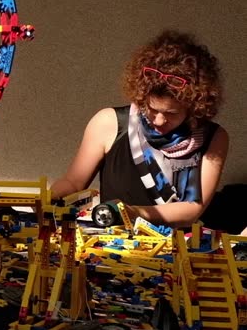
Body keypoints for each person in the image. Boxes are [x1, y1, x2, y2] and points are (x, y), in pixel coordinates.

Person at [50, 29, 229, 228]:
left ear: (195, 107)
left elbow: (191, 209)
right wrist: (47, 198)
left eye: (171, 113)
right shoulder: (108, 122)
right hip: (111, 249)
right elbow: (74, 183)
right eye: (152, 109)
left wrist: (134, 212)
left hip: (177, 251)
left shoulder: (214, 137)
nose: (159, 120)